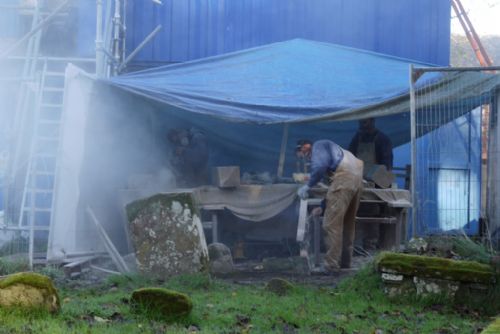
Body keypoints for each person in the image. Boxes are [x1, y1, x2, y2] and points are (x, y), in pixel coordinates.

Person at [296, 139, 363, 272]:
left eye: (304, 154)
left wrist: (307, 186)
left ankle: (331, 265)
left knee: (331, 224)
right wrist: (323, 205)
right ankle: (345, 263)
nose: (308, 159)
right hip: (356, 179)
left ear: (305, 147)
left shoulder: (318, 146)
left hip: (344, 178)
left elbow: (319, 168)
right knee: (347, 222)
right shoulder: (331, 152)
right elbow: (332, 188)